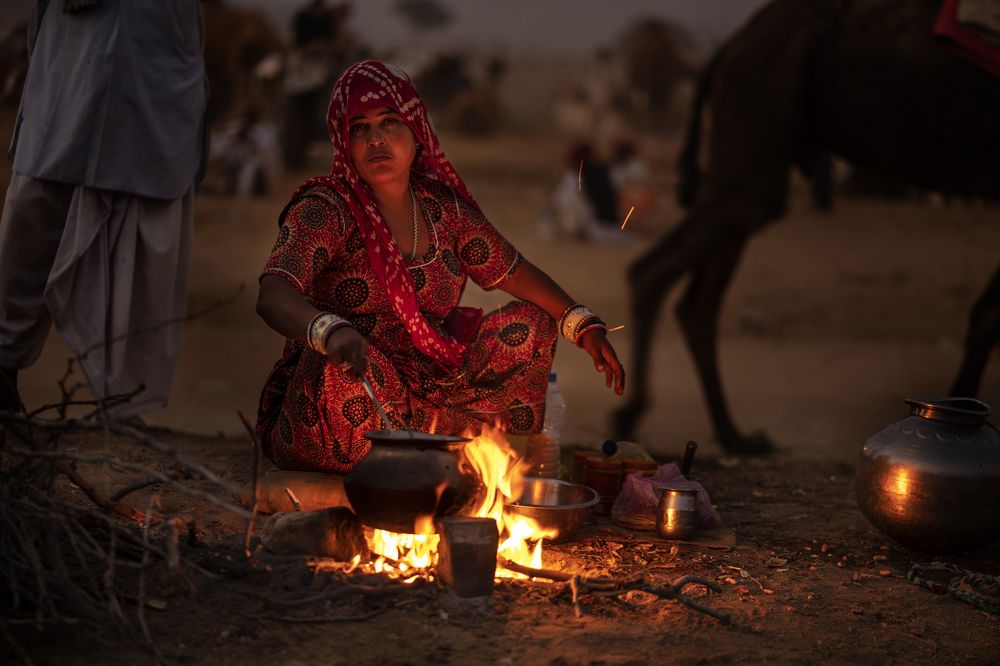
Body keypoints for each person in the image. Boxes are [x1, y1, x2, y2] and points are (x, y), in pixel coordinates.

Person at [255, 61, 624, 474]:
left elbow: (514, 272)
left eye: (390, 123)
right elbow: (273, 293)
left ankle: (440, 450)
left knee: (533, 327)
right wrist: (329, 331)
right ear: (344, 141)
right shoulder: (325, 209)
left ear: (417, 132)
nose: (376, 140)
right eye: (360, 128)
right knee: (338, 370)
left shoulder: (442, 209)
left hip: (431, 384)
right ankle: (424, 457)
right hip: (348, 388)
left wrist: (580, 321)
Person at [0, 0, 207, 416]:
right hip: (72, 61)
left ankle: (124, 404)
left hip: (155, 64)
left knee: (145, 237)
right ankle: (3, 366)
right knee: (35, 212)